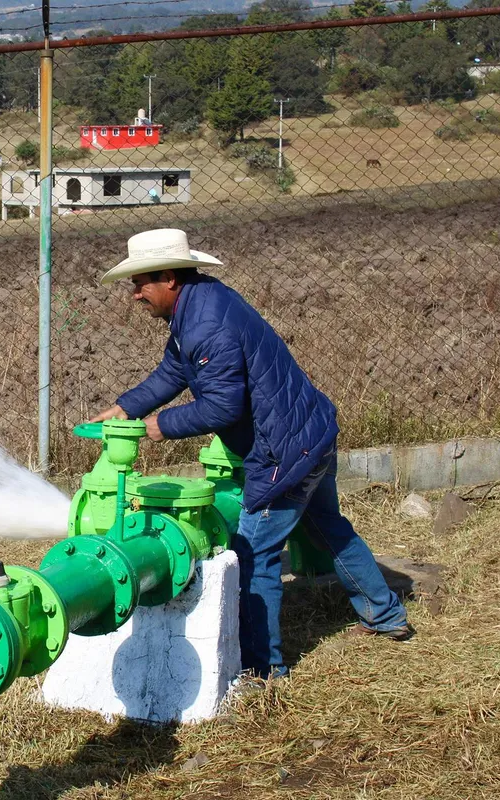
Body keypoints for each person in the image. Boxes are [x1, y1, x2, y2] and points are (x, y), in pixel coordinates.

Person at [88, 228, 413, 679]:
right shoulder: (198, 304)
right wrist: (126, 406)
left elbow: (222, 406)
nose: (134, 294)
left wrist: (154, 427)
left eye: (141, 282)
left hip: (284, 453)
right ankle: (387, 616)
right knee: (329, 529)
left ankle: (265, 671)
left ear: (170, 279)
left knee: (255, 555)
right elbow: (172, 371)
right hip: (310, 431)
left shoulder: (204, 324)